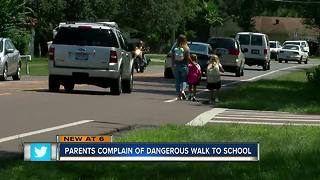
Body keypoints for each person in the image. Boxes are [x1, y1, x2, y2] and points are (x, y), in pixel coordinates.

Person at [172, 34, 192, 100]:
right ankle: (182, 90)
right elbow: (188, 58)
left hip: (176, 66)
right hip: (184, 66)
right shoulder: (186, 48)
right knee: (184, 80)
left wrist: (173, 65)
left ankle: (178, 96)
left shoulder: (175, 47)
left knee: (177, 81)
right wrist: (193, 64)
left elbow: (172, 57)